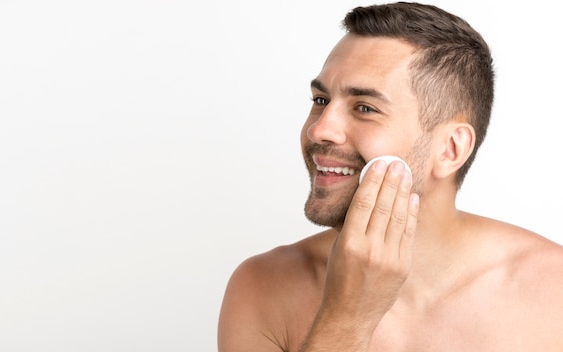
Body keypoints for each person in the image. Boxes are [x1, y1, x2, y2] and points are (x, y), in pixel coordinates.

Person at [217, 2, 563, 351]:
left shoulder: (553, 291)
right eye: (321, 100)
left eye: (364, 108)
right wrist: (347, 318)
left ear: (450, 150)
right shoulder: (262, 288)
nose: (320, 130)